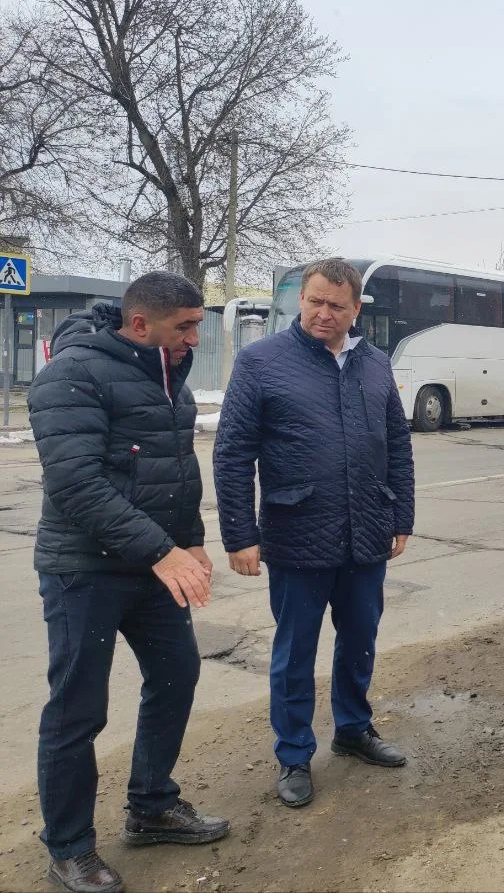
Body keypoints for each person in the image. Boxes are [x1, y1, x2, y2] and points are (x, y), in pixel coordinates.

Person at [29, 273, 228, 893]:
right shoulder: (72, 374)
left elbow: (176, 466)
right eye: (185, 327)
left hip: (153, 562)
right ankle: (70, 847)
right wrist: (164, 551)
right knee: (78, 708)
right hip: (84, 570)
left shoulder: (168, 370)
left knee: (177, 676)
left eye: (198, 324)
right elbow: (76, 484)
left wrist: (191, 537)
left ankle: (151, 806)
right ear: (140, 325)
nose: (195, 338)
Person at [214, 258, 415, 809]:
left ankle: (353, 728)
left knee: (360, 640)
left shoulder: (374, 364)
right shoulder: (261, 363)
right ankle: (294, 754)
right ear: (301, 300)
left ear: (356, 309)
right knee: (295, 650)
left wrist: (402, 517)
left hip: (368, 530)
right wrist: (239, 534)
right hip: (297, 532)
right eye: (315, 302)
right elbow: (233, 453)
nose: (323, 314)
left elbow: (396, 443)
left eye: (337, 306)